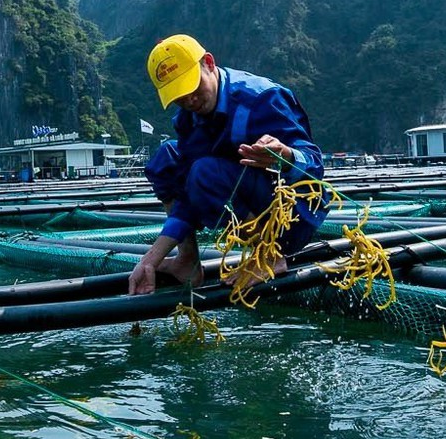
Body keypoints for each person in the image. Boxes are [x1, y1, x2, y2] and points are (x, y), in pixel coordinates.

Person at [128, 34, 325, 296]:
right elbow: (188, 193)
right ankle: (187, 260)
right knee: (167, 159)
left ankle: (269, 255)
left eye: (193, 88)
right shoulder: (188, 119)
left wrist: (286, 156)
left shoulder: (261, 99)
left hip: (292, 216)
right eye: (179, 96)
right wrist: (150, 259)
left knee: (205, 172)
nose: (190, 101)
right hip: (241, 199)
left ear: (208, 63)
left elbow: (314, 164)